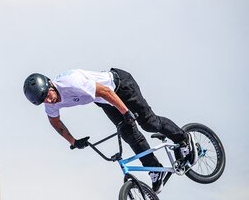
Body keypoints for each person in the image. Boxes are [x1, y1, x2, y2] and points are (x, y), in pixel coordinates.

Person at [23, 68, 198, 193]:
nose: (48, 100)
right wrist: (74, 142)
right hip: (104, 100)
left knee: (148, 123)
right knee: (129, 135)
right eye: (43, 100)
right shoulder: (50, 104)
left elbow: (106, 91)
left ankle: (183, 139)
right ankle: (155, 170)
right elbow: (55, 122)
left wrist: (126, 112)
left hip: (120, 86)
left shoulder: (71, 82)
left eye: (47, 95)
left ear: (50, 84)